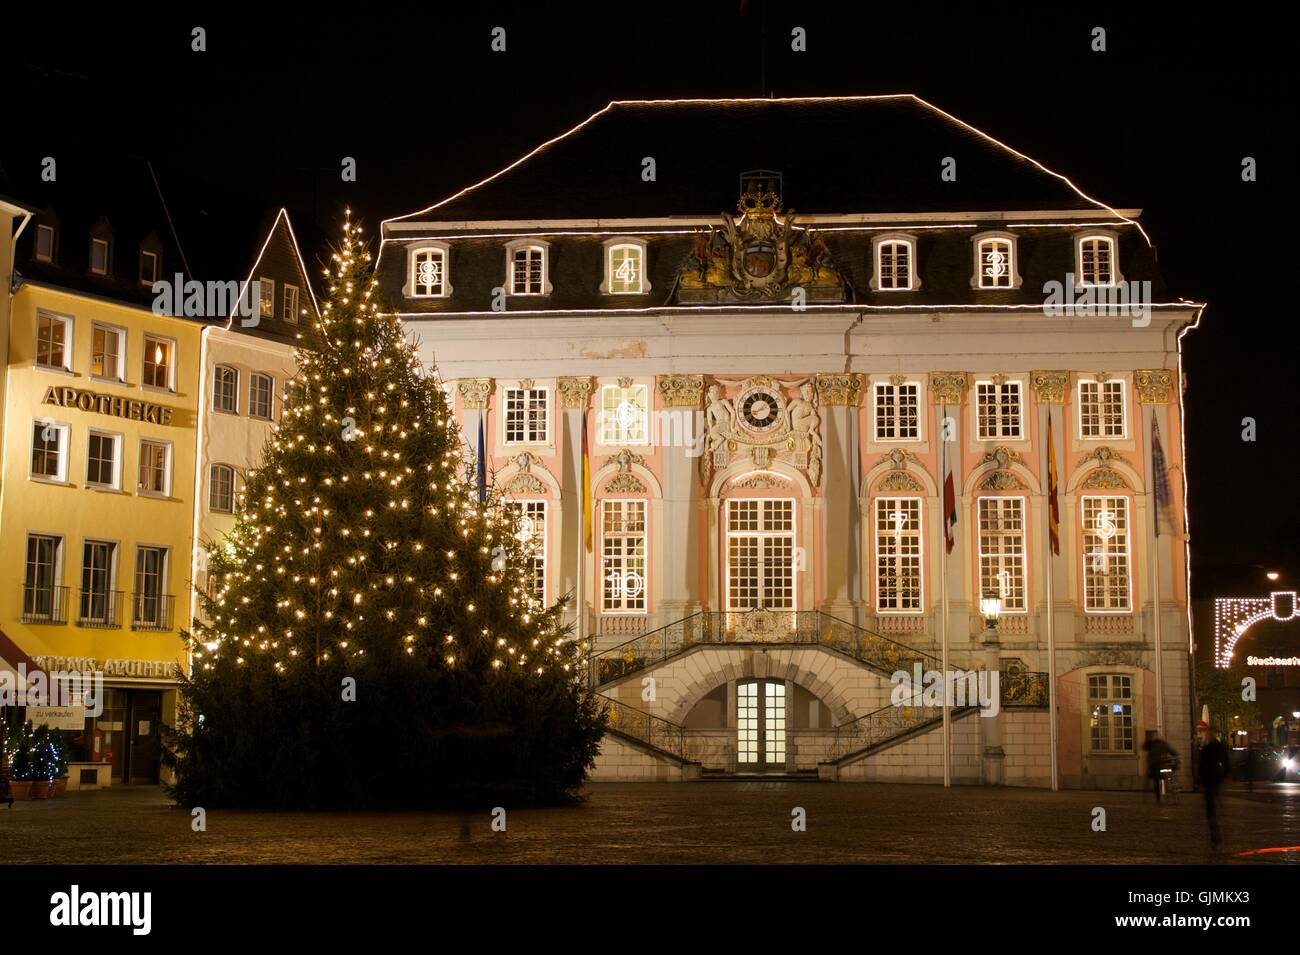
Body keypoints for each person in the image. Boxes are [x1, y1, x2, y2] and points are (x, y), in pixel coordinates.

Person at [1197, 721, 1230, 849]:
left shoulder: (1209, 749)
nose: (1208, 735)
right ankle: (1216, 832)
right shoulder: (1214, 748)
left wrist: (1221, 777)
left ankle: (1215, 832)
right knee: (1214, 809)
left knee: (1212, 810)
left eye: (1209, 734)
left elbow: (1201, 766)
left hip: (1211, 781)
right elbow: (1226, 765)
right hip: (1213, 781)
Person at [1143, 731, 1177, 802]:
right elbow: (1173, 752)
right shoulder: (1162, 744)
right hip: (1159, 765)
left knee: (1156, 781)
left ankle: (1157, 796)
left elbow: (1144, 747)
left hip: (1154, 766)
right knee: (1160, 778)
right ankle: (1164, 792)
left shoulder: (1152, 745)